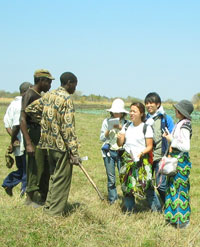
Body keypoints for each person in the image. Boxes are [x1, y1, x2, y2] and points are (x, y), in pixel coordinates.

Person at [25, 72, 81, 216]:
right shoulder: (66, 99)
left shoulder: (49, 95)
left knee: (53, 177)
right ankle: (54, 213)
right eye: (75, 85)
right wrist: (74, 152)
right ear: (69, 83)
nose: (75, 88)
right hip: (61, 146)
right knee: (61, 180)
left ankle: (49, 207)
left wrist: (45, 121)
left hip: (48, 144)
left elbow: (30, 109)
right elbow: (68, 128)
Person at [117, 102, 161, 212]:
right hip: (127, 160)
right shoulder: (126, 126)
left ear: (141, 113)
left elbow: (149, 146)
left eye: (134, 111)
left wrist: (141, 153)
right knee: (127, 187)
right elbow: (119, 144)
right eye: (130, 111)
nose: (131, 113)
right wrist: (119, 137)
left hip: (142, 160)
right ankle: (129, 211)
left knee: (147, 186)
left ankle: (157, 210)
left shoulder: (146, 128)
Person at [20, 69, 54, 205]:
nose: (50, 85)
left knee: (44, 165)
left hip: (42, 134)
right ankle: (30, 197)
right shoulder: (30, 94)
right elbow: (22, 119)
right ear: (41, 81)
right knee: (34, 166)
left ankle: (42, 196)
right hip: (33, 134)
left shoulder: (39, 95)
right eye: (49, 82)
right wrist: (28, 143)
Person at [163, 100, 194, 228]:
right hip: (176, 160)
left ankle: (182, 221)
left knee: (180, 190)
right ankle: (173, 218)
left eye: (178, 109)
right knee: (172, 188)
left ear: (182, 112)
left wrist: (171, 140)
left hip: (180, 162)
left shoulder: (185, 125)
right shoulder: (180, 123)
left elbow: (186, 146)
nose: (176, 110)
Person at [2, 82, 32, 197]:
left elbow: (7, 125)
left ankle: (8, 183)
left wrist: (13, 140)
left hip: (18, 142)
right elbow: (16, 125)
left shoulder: (12, 104)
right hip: (23, 142)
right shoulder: (20, 104)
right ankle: (24, 192)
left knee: (22, 169)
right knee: (27, 169)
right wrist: (14, 140)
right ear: (28, 90)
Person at [144, 92, 174, 205]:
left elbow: (173, 137)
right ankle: (155, 209)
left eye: (151, 103)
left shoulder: (165, 118)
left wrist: (170, 154)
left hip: (160, 157)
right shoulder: (145, 119)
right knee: (147, 184)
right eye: (147, 103)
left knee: (161, 186)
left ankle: (169, 205)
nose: (149, 105)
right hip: (146, 157)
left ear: (158, 104)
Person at [100, 98, 129, 204]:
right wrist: (108, 130)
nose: (117, 114)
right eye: (115, 111)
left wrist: (121, 128)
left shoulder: (127, 123)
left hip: (122, 152)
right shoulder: (106, 122)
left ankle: (127, 199)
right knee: (111, 178)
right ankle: (113, 200)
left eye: (119, 112)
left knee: (124, 177)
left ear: (122, 113)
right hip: (109, 152)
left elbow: (130, 139)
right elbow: (102, 138)